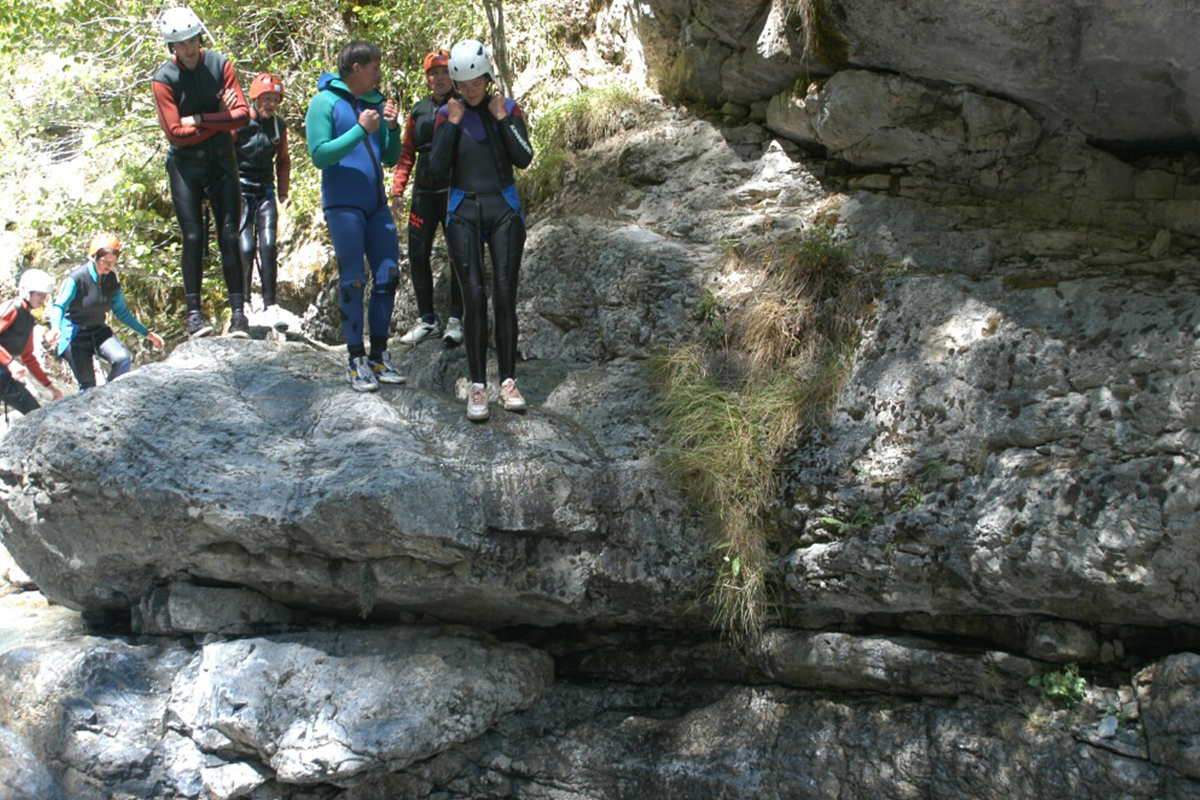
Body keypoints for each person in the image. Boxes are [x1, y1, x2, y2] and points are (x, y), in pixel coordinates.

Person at [430, 40, 533, 421]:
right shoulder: (447, 113)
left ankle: (508, 381)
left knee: (505, 294)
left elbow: (524, 157)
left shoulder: (505, 108)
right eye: (464, 84)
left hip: (503, 207)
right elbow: (437, 169)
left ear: (487, 77)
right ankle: (477, 385)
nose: (471, 90)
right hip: (462, 211)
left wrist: (503, 118)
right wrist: (454, 123)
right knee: (474, 297)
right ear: (455, 83)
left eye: (477, 82)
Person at [306, 40, 405, 392]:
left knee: (388, 274)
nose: (379, 74)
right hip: (343, 203)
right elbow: (320, 154)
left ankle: (379, 354)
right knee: (353, 279)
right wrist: (360, 129)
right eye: (375, 67)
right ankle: (355, 359)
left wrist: (391, 129)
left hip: (376, 204)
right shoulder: (324, 103)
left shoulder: (372, 105)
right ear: (357, 68)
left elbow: (390, 157)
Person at [151, 6, 251, 339]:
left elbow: (242, 116)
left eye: (193, 40)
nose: (190, 48)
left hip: (222, 160)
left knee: (229, 235)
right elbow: (175, 134)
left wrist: (201, 120)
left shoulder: (219, 64)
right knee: (193, 237)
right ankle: (195, 316)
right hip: (186, 165)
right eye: (182, 44)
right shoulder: (163, 79)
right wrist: (219, 121)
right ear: (172, 48)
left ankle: (239, 314)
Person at [392, 49, 463, 347]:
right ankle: (427, 320)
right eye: (433, 73)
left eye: (444, 71)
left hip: (454, 188)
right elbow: (407, 152)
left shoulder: (463, 106)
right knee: (418, 252)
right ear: (427, 78)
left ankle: (457, 320)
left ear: (454, 75)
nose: (439, 78)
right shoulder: (418, 111)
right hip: (423, 190)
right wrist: (397, 190)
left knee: (459, 253)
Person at [48, 234, 166, 391]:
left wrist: (148, 335)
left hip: (98, 331)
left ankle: (108, 394)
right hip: (74, 335)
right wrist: (55, 328)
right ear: (94, 257)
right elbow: (59, 306)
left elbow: (121, 312)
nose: (109, 266)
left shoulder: (111, 280)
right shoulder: (76, 279)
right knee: (88, 387)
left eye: (113, 261)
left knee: (122, 359)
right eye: (105, 261)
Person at [234, 72, 291, 331]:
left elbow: (282, 160)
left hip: (265, 190)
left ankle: (270, 305)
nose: (270, 104)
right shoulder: (239, 121)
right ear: (255, 98)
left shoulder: (278, 125)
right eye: (266, 98)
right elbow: (225, 154)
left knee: (268, 246)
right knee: (245, 247)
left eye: (274, 99)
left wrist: (283, 192)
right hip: (240, 190)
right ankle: (243, 304)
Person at [0, 269, 63, 417]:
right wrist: (10, 362)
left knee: (34, 413)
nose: (43, 300)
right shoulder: (13, 308)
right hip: (4, 373)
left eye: (45, 296)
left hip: (4, 376)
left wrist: (50, 387)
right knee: (35, 415)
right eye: (39, 295)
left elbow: (28, 357)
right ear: (26, 292)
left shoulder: (28, 319)